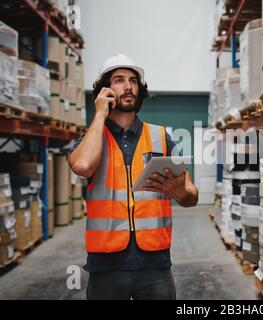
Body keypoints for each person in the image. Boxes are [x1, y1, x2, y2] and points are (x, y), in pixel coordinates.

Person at [68, 54, 198, 300]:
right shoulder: (91, 139)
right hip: (106, 266)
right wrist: (99, 115)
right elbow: (83, 165)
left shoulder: (161, 138)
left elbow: (192, 196)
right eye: (119, 80)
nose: (128, 86)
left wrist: (180, 193)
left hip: (155, 265)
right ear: (105, 90)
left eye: (133, 81)